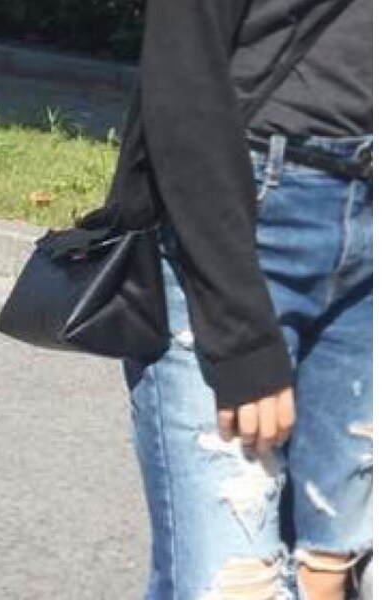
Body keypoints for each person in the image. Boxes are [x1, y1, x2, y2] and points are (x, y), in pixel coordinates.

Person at [104, 0, 372, 599]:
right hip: (245, 220)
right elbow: (184, 77)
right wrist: (242, 335)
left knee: (331, 573)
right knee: (234, 583)